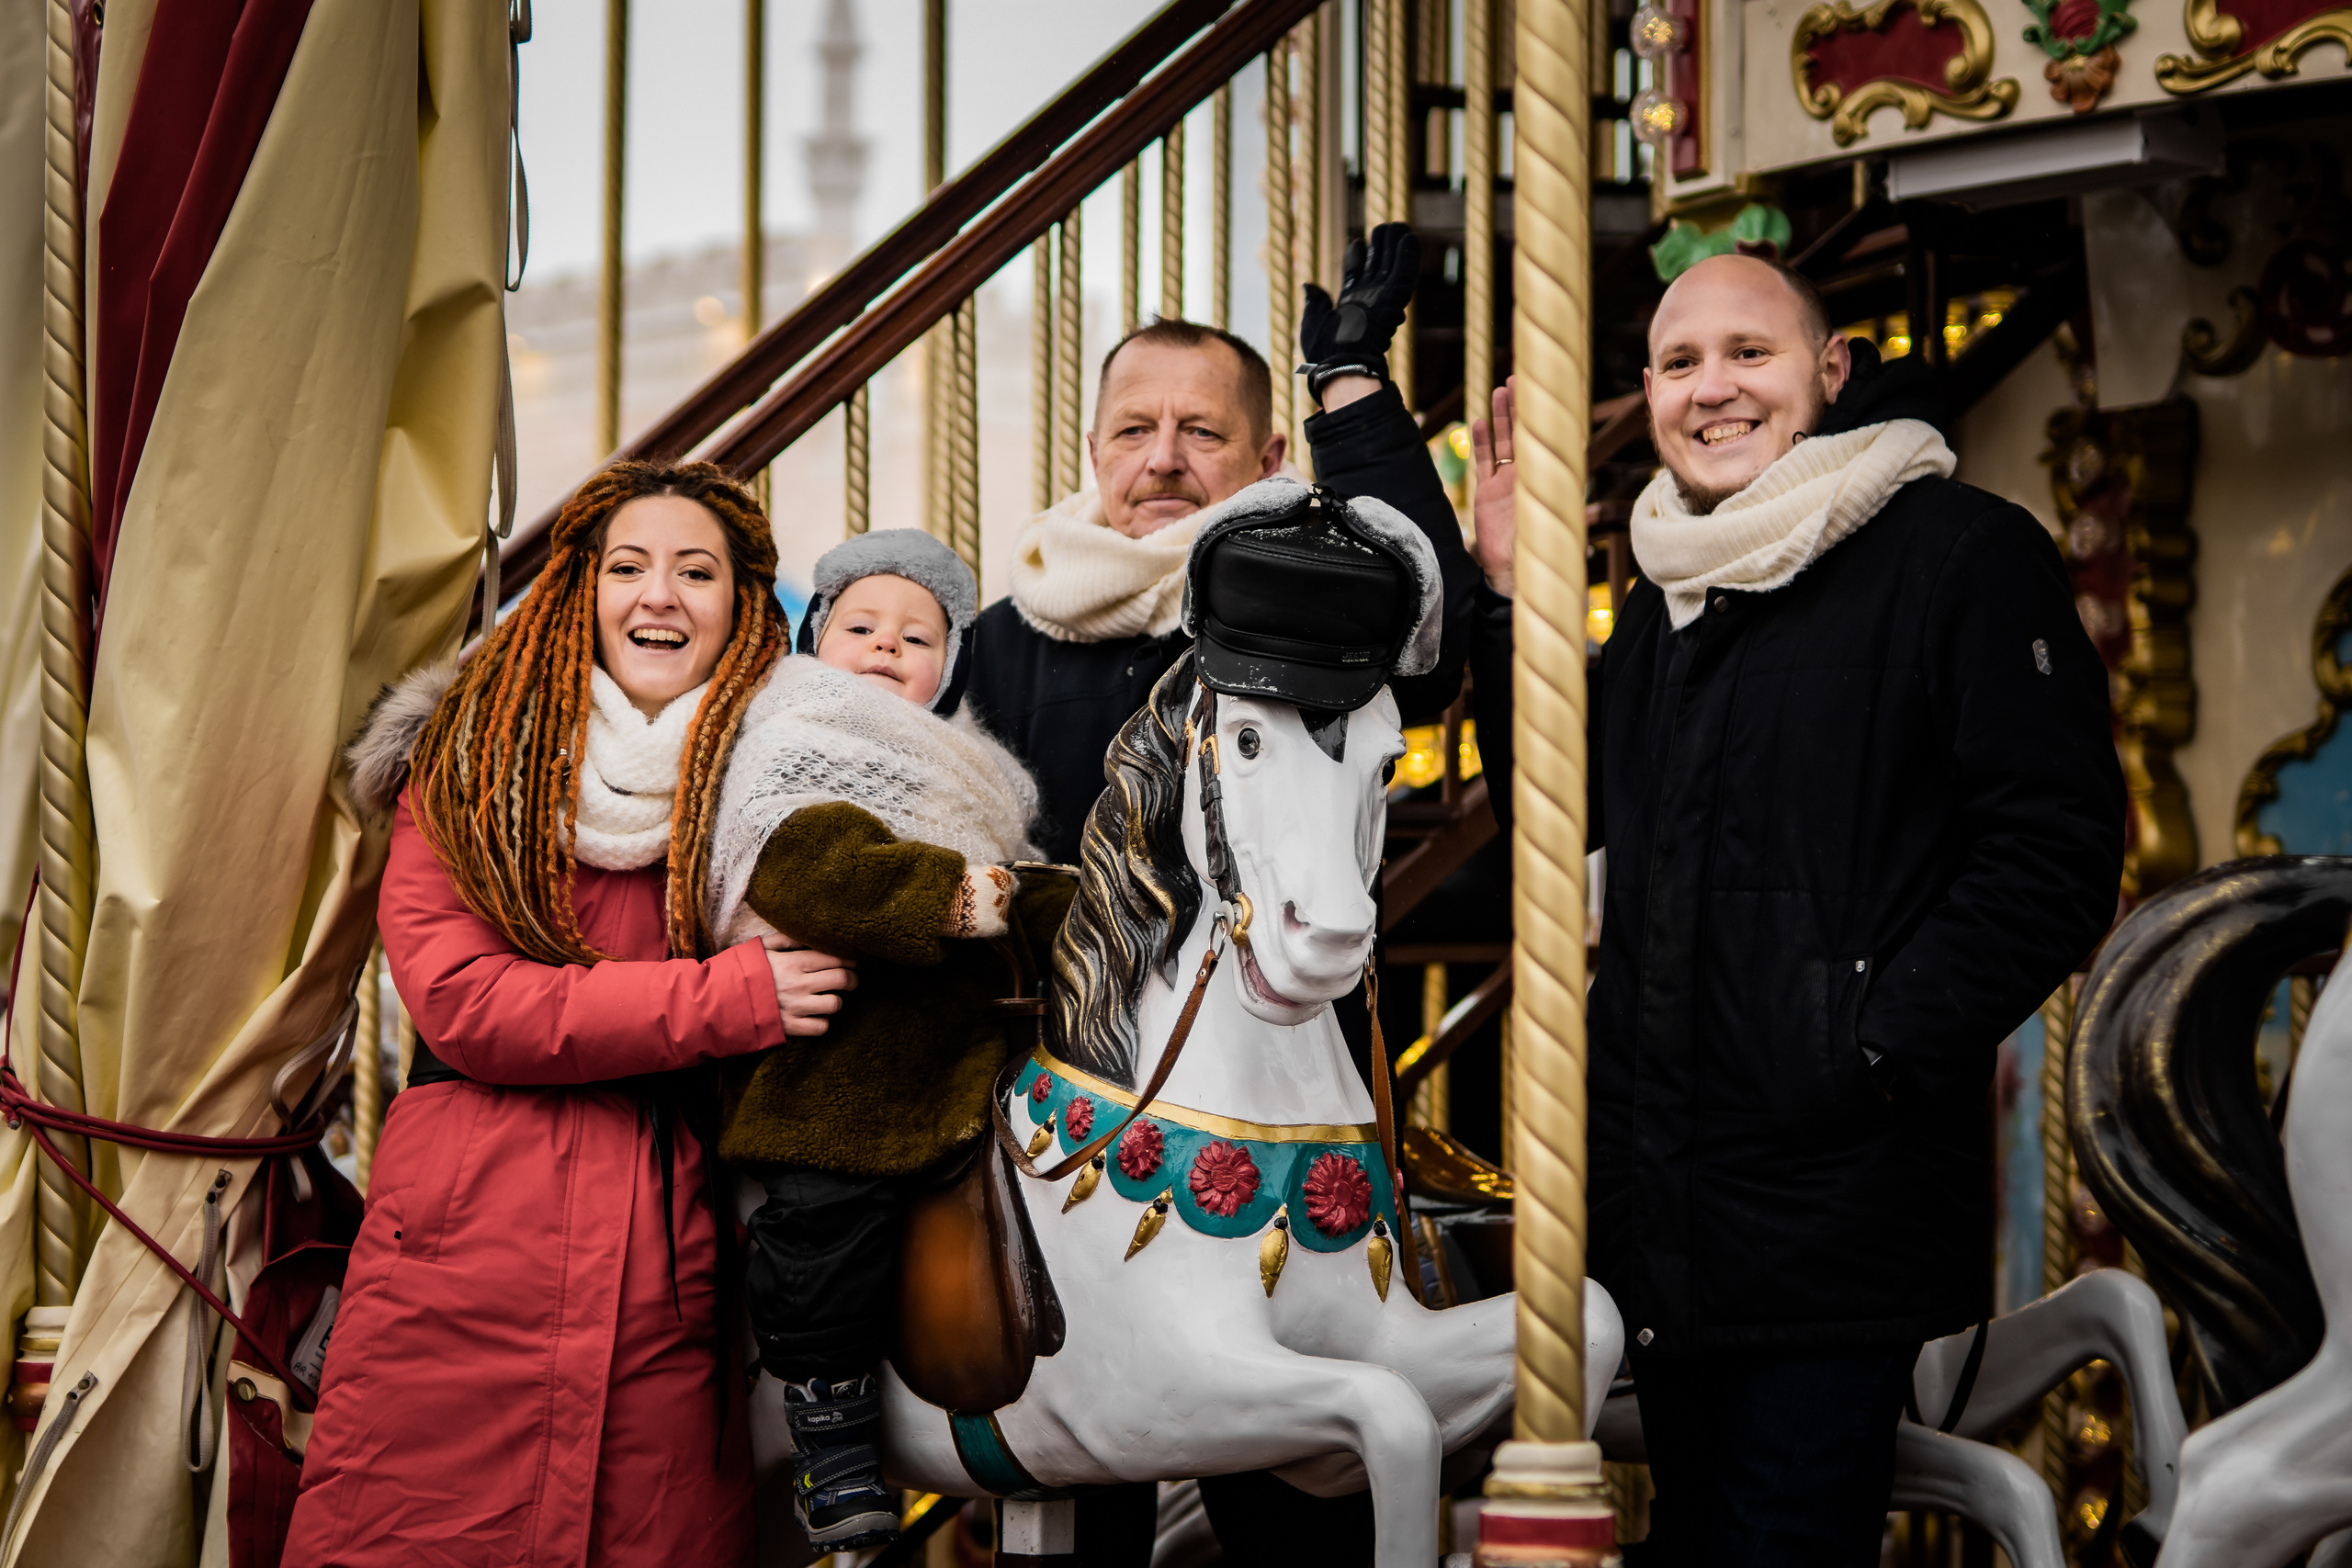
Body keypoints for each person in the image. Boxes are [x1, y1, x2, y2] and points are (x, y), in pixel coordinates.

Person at [1469, 254, 2124, 1564]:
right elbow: (1567, 810)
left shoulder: (1960, 552)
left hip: (1831, 1192)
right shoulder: (1671, 595)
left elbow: (2055, 851)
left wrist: (1864, 1045)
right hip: (1665, 1193)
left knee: (1780, 1535)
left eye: (1749, 353)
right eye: (1678, 361)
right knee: (1703, 1531)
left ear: (1829, 371)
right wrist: (1511, 599)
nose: (1713, 388)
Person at [288, 461, 854, 1568]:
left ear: (741, 607)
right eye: (628, 567)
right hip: (467, 1237)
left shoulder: (772, 780)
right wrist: (730, 996)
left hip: (666, 1247)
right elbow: (466, 1003)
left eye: (697, 572)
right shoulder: (464, 763)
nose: (660, 595)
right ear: (574, 593)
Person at [701, 529, 1068, 1552]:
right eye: (860, 625)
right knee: (828, 1211)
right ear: (818, 637)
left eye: (918, 636)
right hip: (838, 1061)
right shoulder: (791, 745)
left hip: (972, 1064)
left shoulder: (971, 769)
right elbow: (808, 869)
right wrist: (955, 896)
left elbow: (1020, 888)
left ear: (947, 664)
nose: (884, 647)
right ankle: (830, 1428)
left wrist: (1066, 906)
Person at [967, 224, 1476, 864]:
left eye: (1203, 432)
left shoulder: (1309, 597)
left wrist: (1349, 385)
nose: (1163, 458)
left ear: (1268, 461)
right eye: (1133, 430)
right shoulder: (999, 645)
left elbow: (1431, 641)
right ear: (1095, 456)